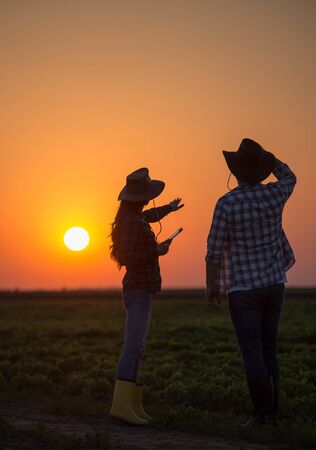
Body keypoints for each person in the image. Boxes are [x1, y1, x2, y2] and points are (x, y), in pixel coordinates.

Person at [205, 138, 296, 427]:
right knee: (269, 347)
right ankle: (273, 414)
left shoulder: (227, 203)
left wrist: (212, 288)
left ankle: (260, 415)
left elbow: (213, 251)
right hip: (274, 284)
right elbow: (290, 176)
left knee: (252, 351)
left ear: (236, 171)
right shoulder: (274, 194)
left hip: (243, 290)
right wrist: (270, 158)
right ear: (261, 169)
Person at [109, 167, 183, 425]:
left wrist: (168, 209)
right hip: (138, 288)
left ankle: (131, 405)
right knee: (133, 348)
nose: (149, 201)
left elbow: (149, 216)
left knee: (137, 348)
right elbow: (126, 258)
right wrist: (157, 251)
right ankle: (121, 407)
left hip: (142, 289)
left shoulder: (134, 218)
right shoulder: (131, 223)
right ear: (141, 198)